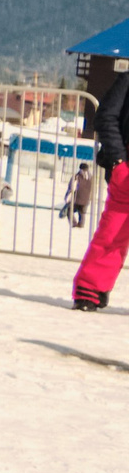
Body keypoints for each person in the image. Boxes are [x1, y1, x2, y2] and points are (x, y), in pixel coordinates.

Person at [72, 68, 128, 311]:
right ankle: (90, 290)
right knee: (112, 234)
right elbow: (105, 117)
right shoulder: (127, 80)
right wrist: (118, 161)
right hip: (126, 174)